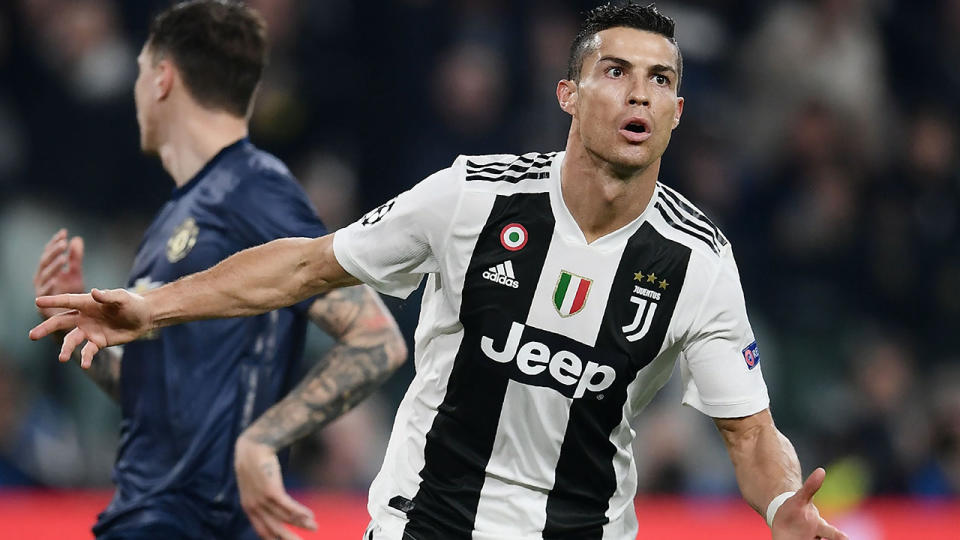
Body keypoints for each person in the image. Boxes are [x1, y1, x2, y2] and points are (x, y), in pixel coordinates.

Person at [31, 3, 848, 540]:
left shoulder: (697, 261)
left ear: (676, 113)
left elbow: (750, 433)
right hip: (422, 526)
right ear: (567, 94)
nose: (639, 92)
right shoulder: (469, 197)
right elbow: (306, 268)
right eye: (616, 72)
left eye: (661, 80)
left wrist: (781, 504)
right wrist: (151, 307)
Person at [30, 2, 406, 539]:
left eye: (140, 72)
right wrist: (83, 334)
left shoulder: (255, 189)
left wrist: (263, 441)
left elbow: (377, 341)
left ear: (162, 79)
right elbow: (168, 402)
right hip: (149, 513)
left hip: (199, 520)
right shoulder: (176, 215)